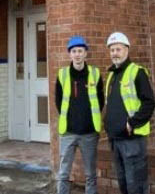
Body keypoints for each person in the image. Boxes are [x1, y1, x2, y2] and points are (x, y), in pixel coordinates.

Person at [103, 31, 155, 194]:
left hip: (132, 139)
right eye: (112, 50)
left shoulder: (137, 72)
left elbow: (149, 102)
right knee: (123, 183)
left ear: (127, 50)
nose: (114, 53)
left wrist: (132, 123)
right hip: (116, 139)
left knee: (136, 184)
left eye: (118, 49)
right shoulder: (112, 75)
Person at [55, 35, 104, 194]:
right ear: (70, 54)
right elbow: (58, 101)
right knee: (63, 174)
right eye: (74, 51)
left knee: (90, 174)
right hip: (68, 132)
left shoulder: (95, 74)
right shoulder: (62, 75)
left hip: (89, 132)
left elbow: (100, 100)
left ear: (85, 53)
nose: (77, 54)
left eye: (80, 51)